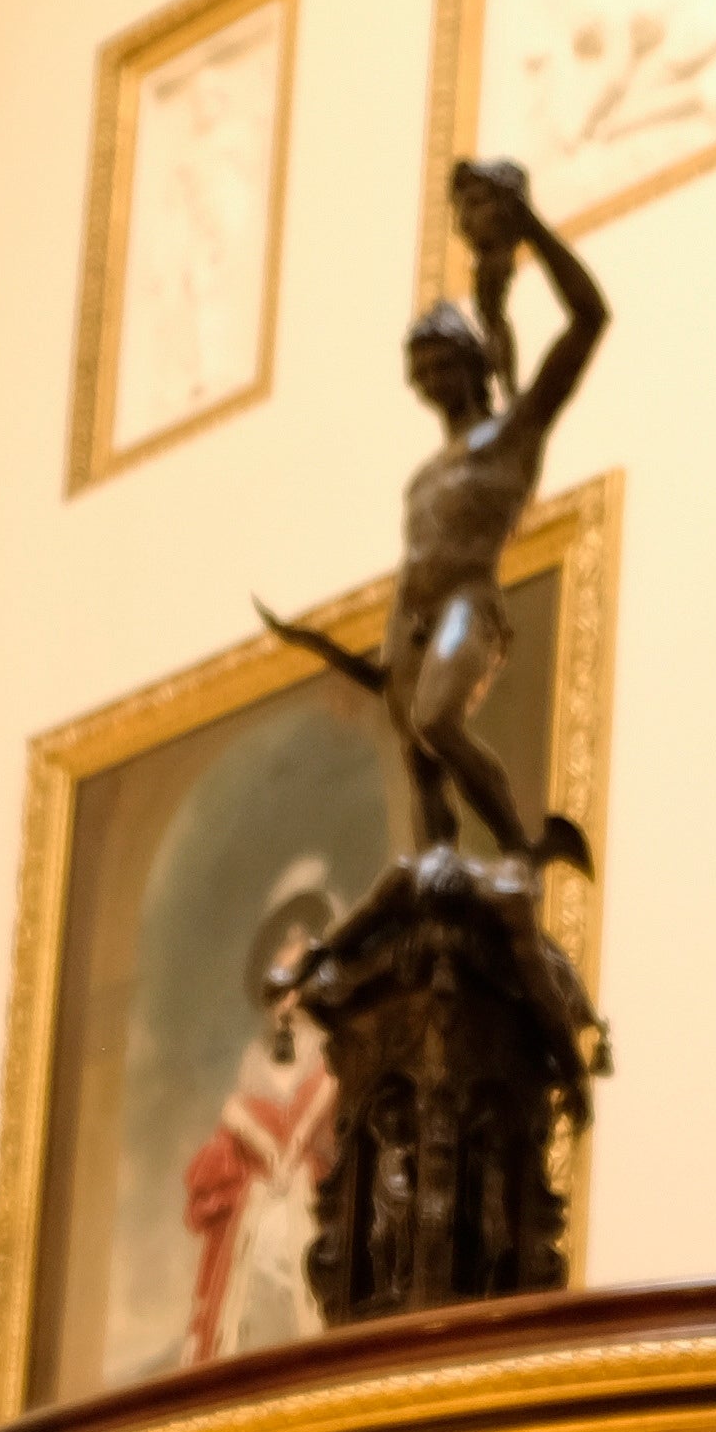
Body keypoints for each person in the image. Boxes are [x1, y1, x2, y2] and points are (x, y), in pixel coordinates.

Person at [259, 161, 601, 874]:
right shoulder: (424, 475)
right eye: (421, 369)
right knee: (419, 765)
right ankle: (439, 875)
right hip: (407, 621)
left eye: (442, 362)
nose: (430, 380)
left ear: (472, 363)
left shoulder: (512, 435)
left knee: (439, 722)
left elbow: (587, 320)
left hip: (469, 605)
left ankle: (518, 849)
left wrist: (529, 224)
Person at [179, 867, 337, 1369]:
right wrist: (251, 1134)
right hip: (256, 1220)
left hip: (312, 1210)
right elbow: (239, 1127)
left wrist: (297, 1145)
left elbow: (330, 1121)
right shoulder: (255, 1061)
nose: (286, 1000)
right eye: (278, 988)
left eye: (296, 985)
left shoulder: (331, 1056)